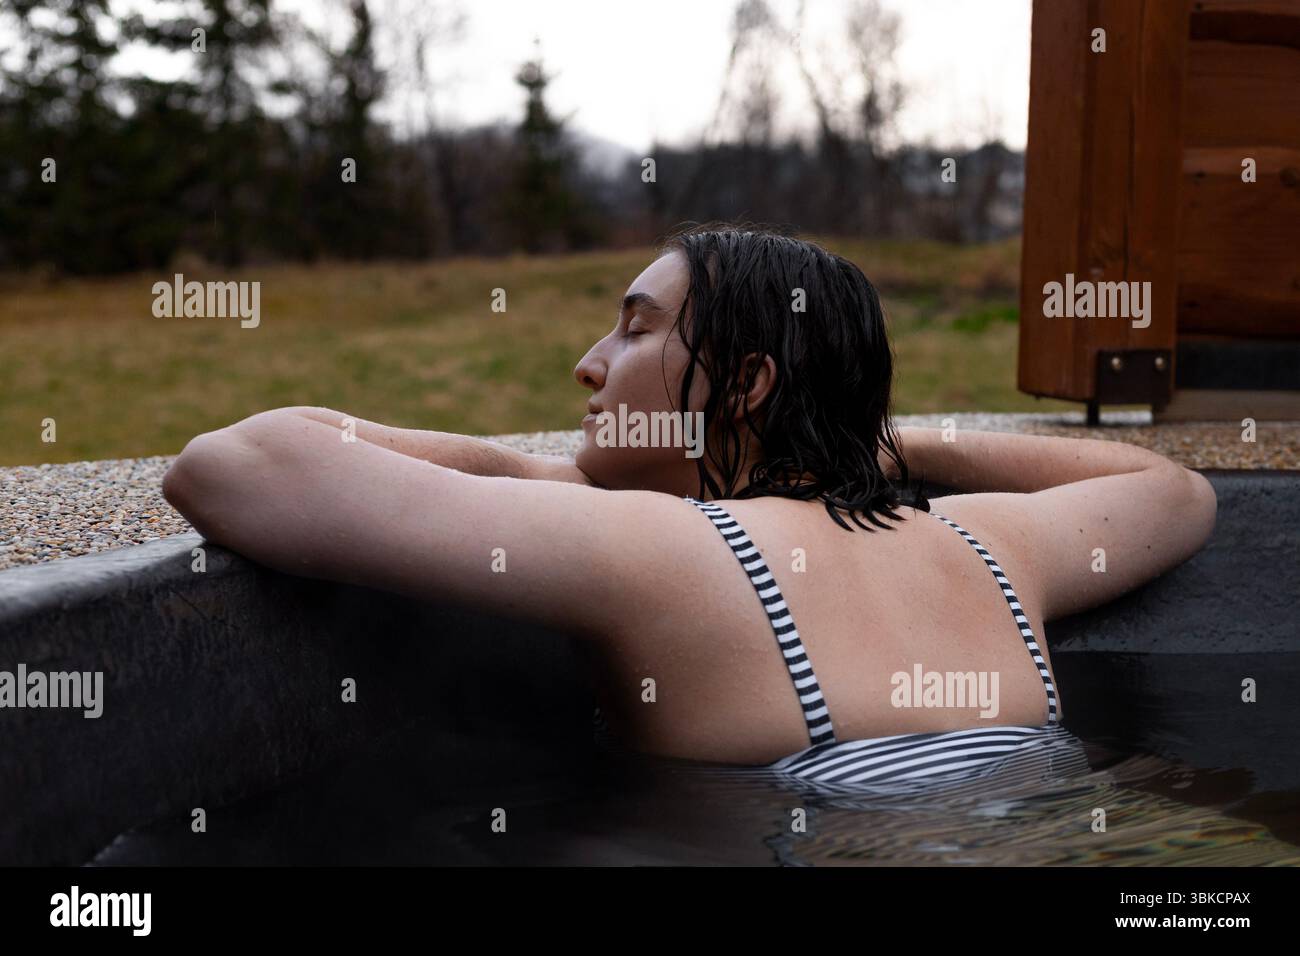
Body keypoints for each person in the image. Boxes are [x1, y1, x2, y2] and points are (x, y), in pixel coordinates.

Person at [161, 223, 1217, 783]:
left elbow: (235, 463)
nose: (588, 365)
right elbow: (1170, 489)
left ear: (746, 385)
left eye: (632, 329)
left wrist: (514, 468)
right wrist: (890, 443)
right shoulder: (982, 538)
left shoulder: (659, 551)